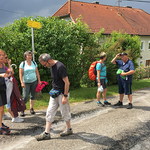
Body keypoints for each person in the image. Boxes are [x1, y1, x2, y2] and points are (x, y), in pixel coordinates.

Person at [35, 53, 73, 141]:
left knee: (65, 112)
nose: (45, 66)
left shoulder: (60, 67)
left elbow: (67, 83)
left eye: (44, 65)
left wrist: (65, 96)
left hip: (62, 93)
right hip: (54, 93)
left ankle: (69, 129)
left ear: (48, 61)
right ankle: (46, 133)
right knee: (49, 111)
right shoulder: (51, 66)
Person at [19, 51, 41, 116]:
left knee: (33, 96)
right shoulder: (22, 64)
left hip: (34, 81)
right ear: (25, 56)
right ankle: (22, 109)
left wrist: (39, 80)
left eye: (31, 55)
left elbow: (37, 72)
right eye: (28, 55)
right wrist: (21, 82)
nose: (30, 56)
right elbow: (20, 74)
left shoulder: (34, 63)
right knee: (25, 97)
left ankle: (31, 109)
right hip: (26, 82)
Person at [4, 54, 24, 122]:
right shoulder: (2, 67)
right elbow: (11, 73)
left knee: (9, 101)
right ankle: (14, 117)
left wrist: (9, 64)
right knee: (8, 102)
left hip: (8, 85)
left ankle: (13, 116)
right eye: (5, 58)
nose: (7, 59)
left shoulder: (4, 66)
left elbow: (12, 72)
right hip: (5, 86)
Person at [0, 49, 10, 135]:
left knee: (1, 108)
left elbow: (9, 72)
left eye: (3, 55)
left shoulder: (3, 65)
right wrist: (1, 75)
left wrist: (8, 73)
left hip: (2, 87)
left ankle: (0, 124)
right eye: (1, 55)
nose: (2, 56)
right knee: (0, 108)